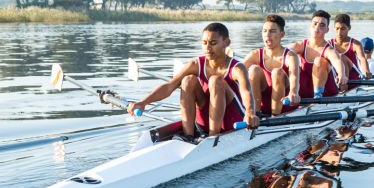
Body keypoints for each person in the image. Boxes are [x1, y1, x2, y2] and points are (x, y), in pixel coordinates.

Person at [127, 22, 259, 137]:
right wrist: (143, 102)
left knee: (215, 81)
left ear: (226, 43)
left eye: (213, 43)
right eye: (204, 43)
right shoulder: (195, 65)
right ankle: (188, 135)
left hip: (233, 121)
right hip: (204, 121)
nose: (207, 48)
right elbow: (169, 86)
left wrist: (250, 112)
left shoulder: (237, 68)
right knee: (188, 80)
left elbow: (247, 92)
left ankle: (213, 137)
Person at [242, 14, 301, 115]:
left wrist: (294, 92)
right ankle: (255, 114)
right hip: (262, 108)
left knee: (277, 72)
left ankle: (275, 115)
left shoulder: (290, 56)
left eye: (272, 31)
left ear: (282, 34)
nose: (267, 35)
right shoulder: (255, 55)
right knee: (253, 70)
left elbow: (294, 76)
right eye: (264, 31)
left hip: (286, 106)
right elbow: (234, 73)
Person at [289, 10, 348, 98]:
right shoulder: (299, 46)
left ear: (327, 30)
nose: (317, 28)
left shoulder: (329, 50)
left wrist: (341, 74)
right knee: (291, 61)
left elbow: (337, 61)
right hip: (305, 91)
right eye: (315, 24)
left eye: (322, 25)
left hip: (326, 93)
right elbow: (281, 54)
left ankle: (317, 95)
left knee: (319, 61)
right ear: (310, 26)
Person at [329, 13, 371, 80]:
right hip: (336, 78)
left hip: (353, 79)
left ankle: (343, 86)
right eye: (337, 28)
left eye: (343, 29)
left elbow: (362, 59)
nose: (339, 32)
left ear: (349, 28)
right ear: (334, 28)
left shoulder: (356, 44)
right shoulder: (329, 44)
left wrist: (366, 71)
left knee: (341, 57)